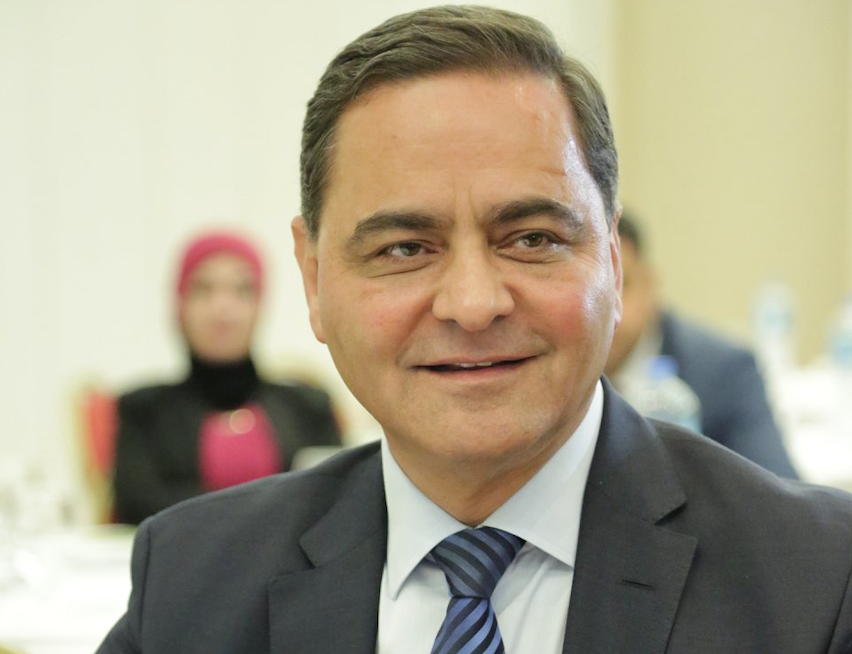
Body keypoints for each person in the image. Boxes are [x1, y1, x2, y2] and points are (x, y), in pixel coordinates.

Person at [97, 6, 851, 653]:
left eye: (532, 239)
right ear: (315, 279)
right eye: (404, 249)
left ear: (614, 264)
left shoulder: (818, 585)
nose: (472, 303)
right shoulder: (191, 582)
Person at [111, 230, 342, 525]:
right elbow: (137, 505)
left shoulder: (309, 406)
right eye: (203, 290)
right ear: (180, 305)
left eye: (241, 291)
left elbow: (336, 498)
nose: (222, 307)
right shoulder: (142, 410)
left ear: (259, 307)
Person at [605, 212, 799, 478]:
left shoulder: (725, 371)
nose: (605, 309)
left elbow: (779, 488)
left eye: (619, 284)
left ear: (649, 285)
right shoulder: (559, 370)